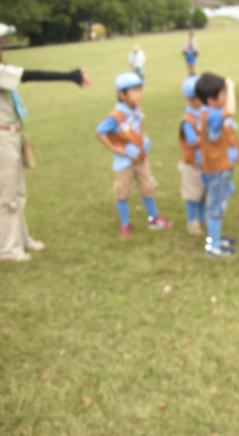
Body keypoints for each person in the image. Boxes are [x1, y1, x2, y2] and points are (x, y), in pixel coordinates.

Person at [0, 22, 91, 262]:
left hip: (11, 133)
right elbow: (31, 75)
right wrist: (70, 76)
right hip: (2, 137)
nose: (3, 43)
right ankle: (8, 249)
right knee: (7, 196)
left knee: (17, 192)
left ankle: (21, 239)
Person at [96, 72, 173, 237]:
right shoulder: (117, 115)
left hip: (140, 158)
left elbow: (137, 129)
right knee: (122, 191)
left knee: (148, 187)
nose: (139, 95)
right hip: (124, 163)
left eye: (140, 90)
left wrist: (144, 140)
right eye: (135, 91)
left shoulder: (137, 110)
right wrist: (117, 149)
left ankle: (154, 218)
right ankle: (125, 223)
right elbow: (100, 132)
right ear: (122, 95)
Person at [195, 72, 239, 257]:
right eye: (223, 93)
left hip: (221, 167)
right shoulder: (212, 115)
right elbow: (231, 111)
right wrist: (231, 87)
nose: (226, 97)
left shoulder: (210, 114)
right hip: (218, 169)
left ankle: (214, 238)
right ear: (211, 99)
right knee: (215, 207)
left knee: (218, 203)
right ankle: (212, 247)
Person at [178, 75, 205, 236]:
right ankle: (191, 221)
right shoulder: (188, 120)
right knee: (192, 195)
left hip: (205, 164)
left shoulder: (204, 113)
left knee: (202, 194)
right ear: (191, 99)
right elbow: (193, 142)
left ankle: (201, 219)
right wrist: (209, 136)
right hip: (192, 165)